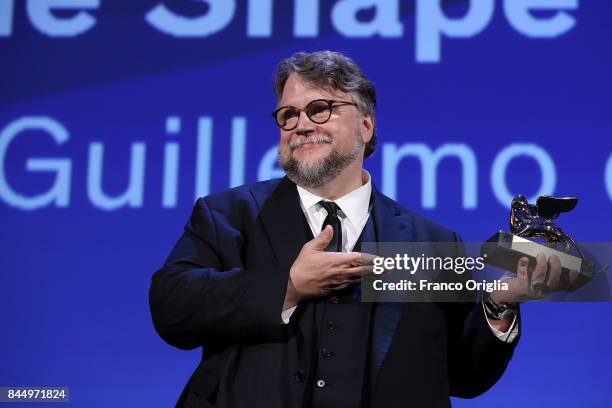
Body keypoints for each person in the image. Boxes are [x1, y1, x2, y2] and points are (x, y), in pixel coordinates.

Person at [149, 51, 572, 408]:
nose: (301, 124)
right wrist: (289, 285)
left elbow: (464, 375)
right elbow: (172, 306)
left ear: (366, 126)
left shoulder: (433, 242)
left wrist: (498, 304)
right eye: (288, 114)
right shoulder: (229, 214)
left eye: (320, 109)